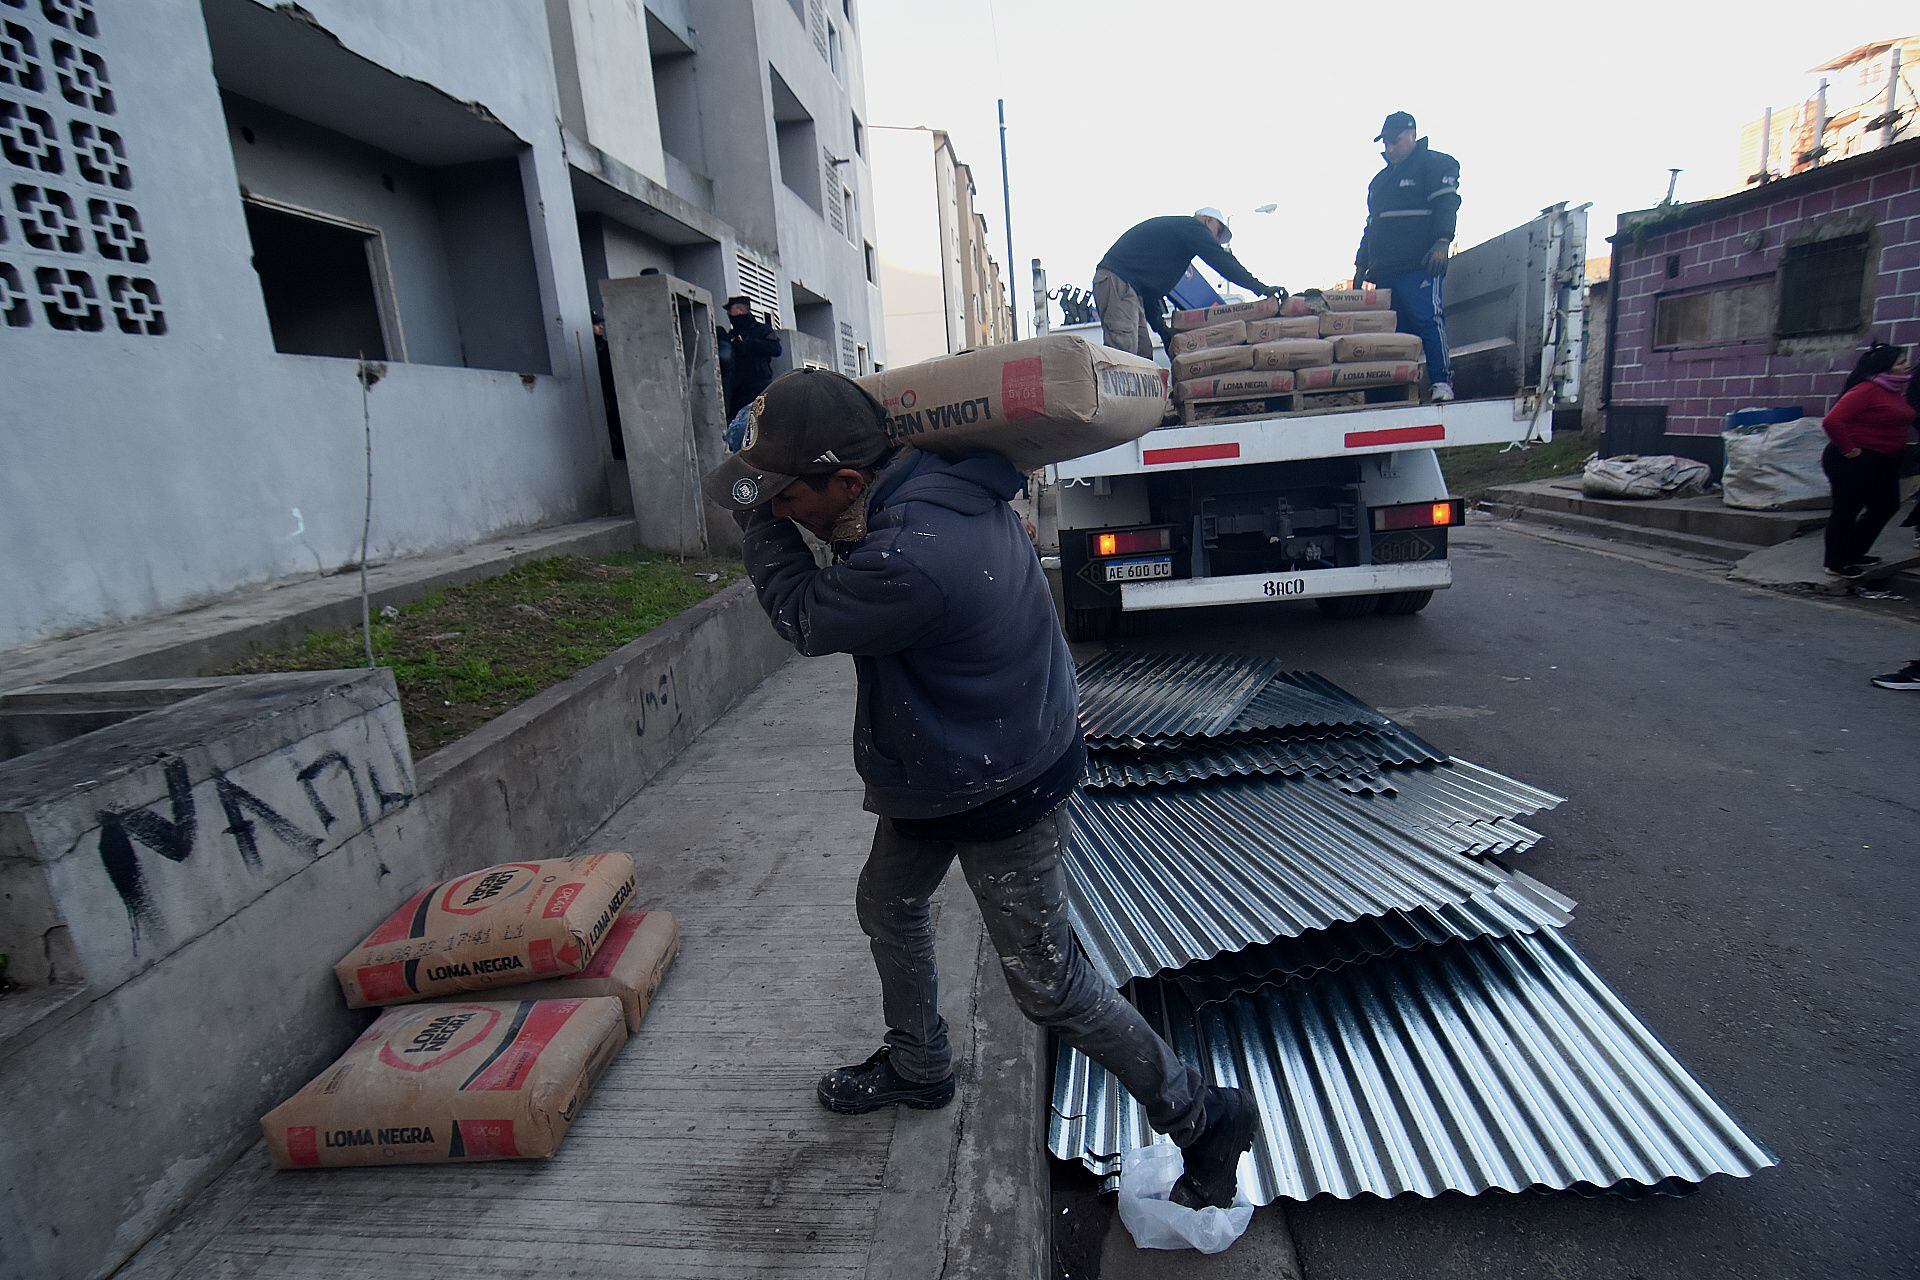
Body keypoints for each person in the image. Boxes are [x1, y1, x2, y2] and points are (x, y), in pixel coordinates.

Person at [700, 369, 1259, 1210]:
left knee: (1050, 985)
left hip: (998, 785)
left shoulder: (912, 558)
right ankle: (920, 1064)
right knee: (887, 904)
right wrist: (771, 488)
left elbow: (805, 615)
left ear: (848, 482)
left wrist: (756, 526)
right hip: (943, 759)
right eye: (772, 501)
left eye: (788, 498)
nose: (782, 511)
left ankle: (1202, 1113)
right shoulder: (926, 483)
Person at [1355, 111, 1461, 402]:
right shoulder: (1379, 182)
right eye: (1385, 143)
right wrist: (1361, 263)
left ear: (1412, 135)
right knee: (1393, 334)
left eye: (1394, 141)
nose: (1388, 149)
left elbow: (1447, 205)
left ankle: (1441, 381)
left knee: (1428, 319)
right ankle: (1393, 392)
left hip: (1420, 265)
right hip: (1385, 269)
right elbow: (1372, 224)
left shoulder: (1435, 165)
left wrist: (1442, 241)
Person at [1093, 209, 1283, 357]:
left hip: (1131, 288)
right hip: (1116, 280)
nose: (1215, 240)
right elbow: (1222, 262)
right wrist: (1261, 288)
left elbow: (1150, 293)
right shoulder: (1192, 227)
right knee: (1124, 351)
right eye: (1217, 233)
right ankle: (1117, 406)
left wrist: (1162, 331)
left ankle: (1141, 406)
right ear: (1208, 221)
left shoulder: (1176, 249)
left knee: (1142, 355)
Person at [1819, 340, 1917, 578]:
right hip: (1853, 460)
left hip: (1885, 460)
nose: (1907, 366)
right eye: (1901, 362)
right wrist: (1850, 449)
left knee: (1887, 505)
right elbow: (1832, 421)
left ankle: (1853, 552)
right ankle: (1835, 563)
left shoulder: (1893, 390)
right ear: (1886, 367)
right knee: (1847, 509)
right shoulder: (1867, 389)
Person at [723, 295, 783, 450]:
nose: (731, 315)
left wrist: (748, 344)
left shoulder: (761, 330)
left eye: (733, 311)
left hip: (758, 388)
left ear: (742, 310)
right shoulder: (731, 336)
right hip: (737, 393)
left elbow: (776, 350)